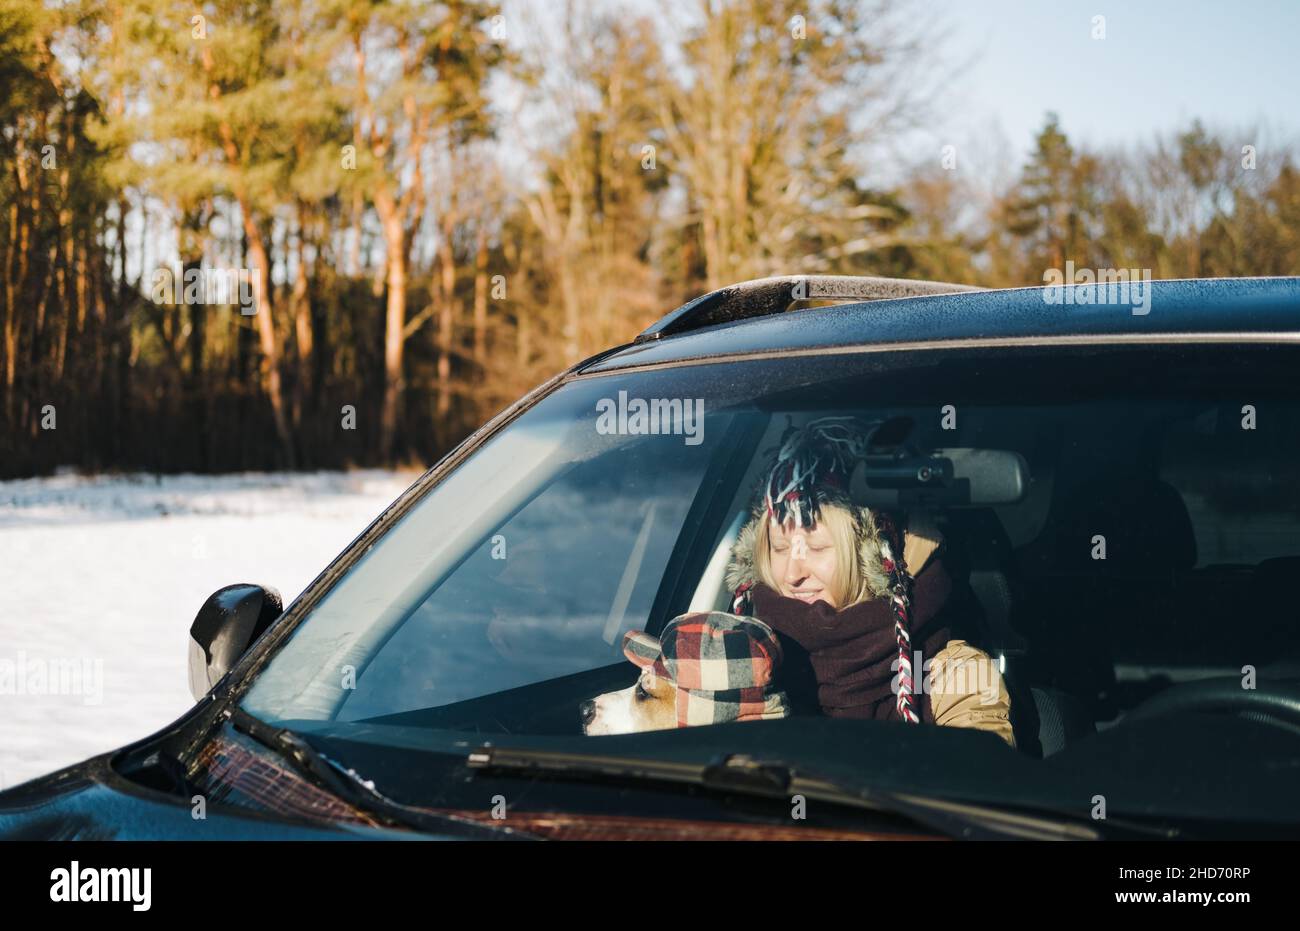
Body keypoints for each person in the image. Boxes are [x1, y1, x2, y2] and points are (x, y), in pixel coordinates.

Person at [725, 417, 1016, 747]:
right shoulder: (739, 663)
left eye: (817, 548)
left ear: (874, 556)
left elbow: (976, 784)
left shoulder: (953, 675)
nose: (792, 574)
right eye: (779, 548)